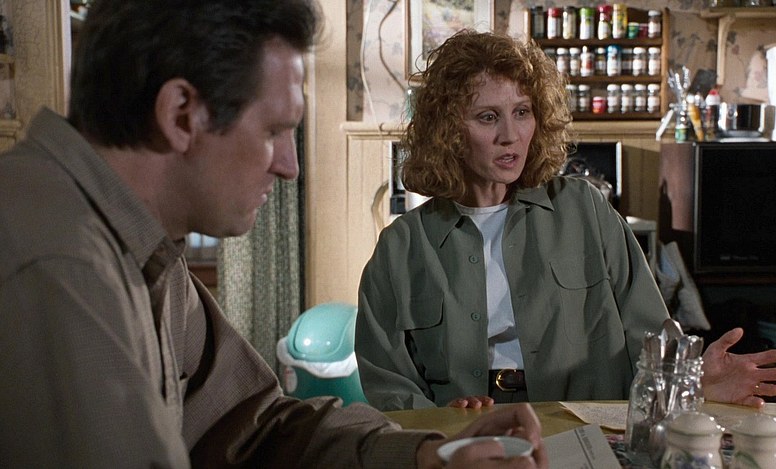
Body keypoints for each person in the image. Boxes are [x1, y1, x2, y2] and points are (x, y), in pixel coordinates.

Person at [0, 3, 548, 467]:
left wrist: (429, 455)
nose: (290, 166)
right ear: (182, 114)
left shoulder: (140, 243)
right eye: (275, 130)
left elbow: (254, 425)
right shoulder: (60, 264)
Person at [355, 30, 776, 412]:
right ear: (449, 131)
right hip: (469, 438)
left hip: (585, 423)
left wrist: (691, 383)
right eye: (488, 117)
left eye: (522, 112)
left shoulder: (583, 209)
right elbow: (387, 379)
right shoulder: (401, 247)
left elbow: (650, 334)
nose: (511, 135)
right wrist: (439, 423)